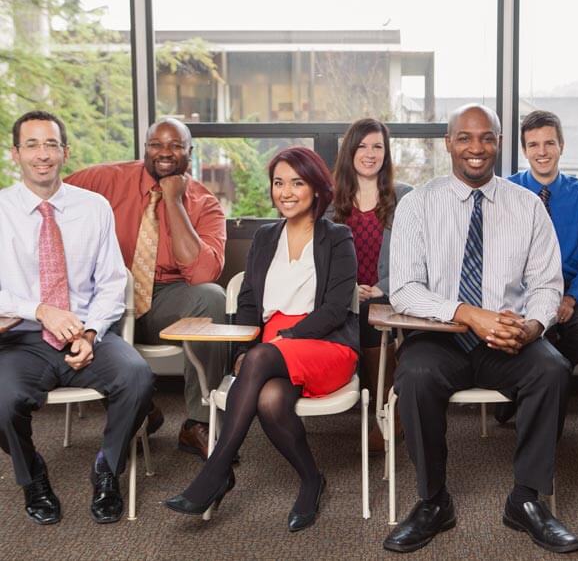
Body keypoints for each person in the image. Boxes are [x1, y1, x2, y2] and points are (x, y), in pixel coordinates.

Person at [383, 104, 578, 554]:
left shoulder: (527, 206)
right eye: (466, 138)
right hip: (440, 337)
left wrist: (531, 327)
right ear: (449, 143)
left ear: (498, 143)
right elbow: (405, 290)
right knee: (414, 376)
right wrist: (467, 313)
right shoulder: (418, 204)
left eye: (487, 137)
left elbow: (547, 284)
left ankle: (526, 500)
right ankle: (433, 502)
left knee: (552, 369)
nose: (477, 147)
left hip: (507, 339)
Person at [165, 147, 359, 532]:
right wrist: (246, 348)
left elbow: (336, 309)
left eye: (297, 183)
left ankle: (216, 471)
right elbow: (250, 303)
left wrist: (281, 340)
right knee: (270, 400)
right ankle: (311, 480)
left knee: (259, 360)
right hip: (273, 350)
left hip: (325, 343)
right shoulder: (265, 237)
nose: (286, 192)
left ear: (317, 189)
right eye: (278, 183)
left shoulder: (337, 237)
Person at [0, 111, 154, 525]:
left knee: (137, 377)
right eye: (31, 145)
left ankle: (107, 467)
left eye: (50, 144)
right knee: (1, 401)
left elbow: (111, 283)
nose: (42, 154)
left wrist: (89, 331)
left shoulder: (94, 208)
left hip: (86, 335)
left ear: (64, 152)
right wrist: (39, 309)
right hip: (22, 339)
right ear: (16, 154)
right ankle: (32, 475)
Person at [65, 118, 227, 460]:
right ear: (145, 148)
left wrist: (174, 202)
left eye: (175, 146)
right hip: (108, 296)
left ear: (190, 152)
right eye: (156, 145)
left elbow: (202, 274)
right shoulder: (105, 179)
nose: (165, 153)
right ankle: (142, 407)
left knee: (213, 298)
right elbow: (51, 198)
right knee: (71, 304)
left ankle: (198, 422)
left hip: (167, 300)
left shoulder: (205, 203)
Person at [496, 110, 578, 424]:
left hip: (571, 290)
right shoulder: (506, 193)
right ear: (524, 150)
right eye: (533, 145)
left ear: (562, 145)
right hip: (521, 292)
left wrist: (571, 298)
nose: (542, 152)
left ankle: (530, 386)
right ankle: (532, 382)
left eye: (549, 143)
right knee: (513, 329)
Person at [326, 118, 412, 451]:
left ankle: (387, 414)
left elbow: (416, 256)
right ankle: (383, 408)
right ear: (349, 151)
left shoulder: (404, 197)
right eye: (362, 146)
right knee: (360, 312)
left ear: (386, 153)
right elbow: (322, 258)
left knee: (373, 314)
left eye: (378, 146)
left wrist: (383, 286)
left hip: (392, 293)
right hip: (344, 294)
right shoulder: (331, 202)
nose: (370, 153)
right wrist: (350, 288)